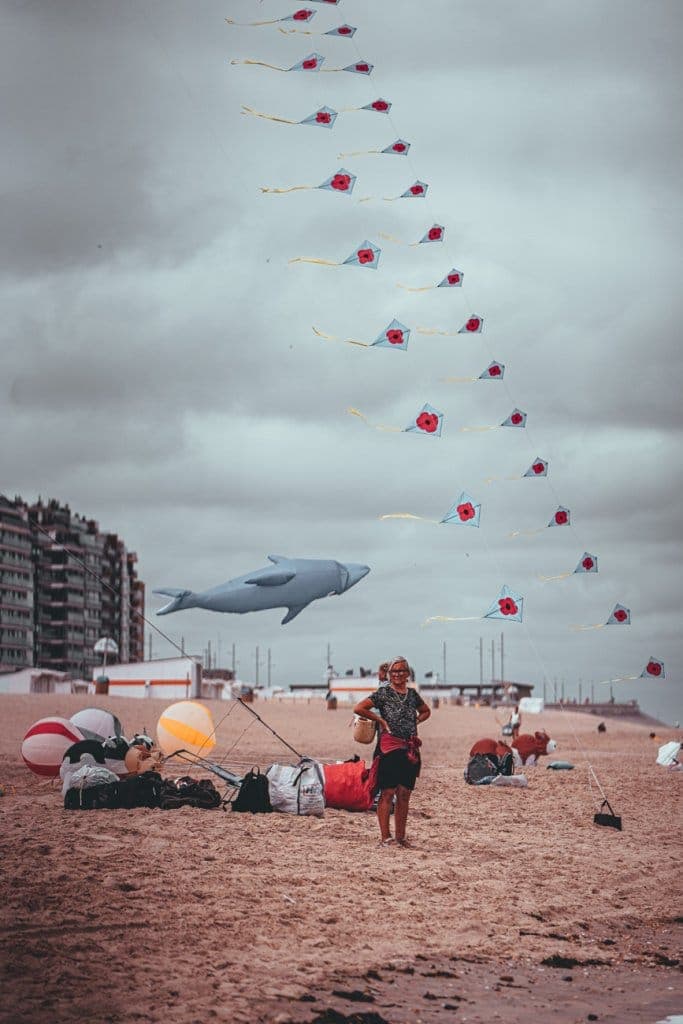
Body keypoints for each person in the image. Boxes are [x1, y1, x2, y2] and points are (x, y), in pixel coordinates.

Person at [353, 656, 430, 848]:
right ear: (389, 674)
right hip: (389, 748)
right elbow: (359, 707)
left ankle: (401, 838)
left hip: (409, 749)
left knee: (404, 793)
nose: (398, 674)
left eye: (401, 671)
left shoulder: (412, 695)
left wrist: (416, 722)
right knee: (387, 792)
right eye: (394, 672)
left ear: (408, 674)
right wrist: (381, 721)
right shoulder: (383, 693)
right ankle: (385, 837)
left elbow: (426, 711)